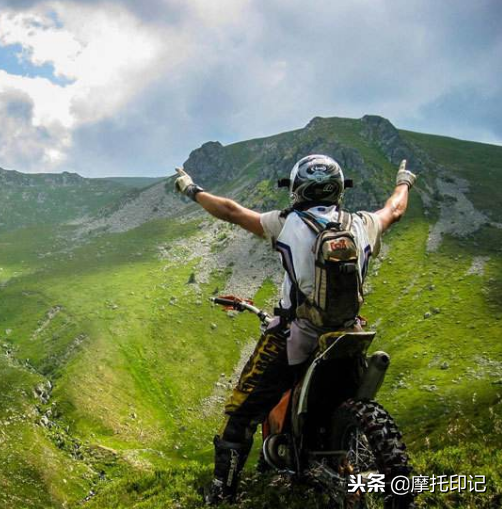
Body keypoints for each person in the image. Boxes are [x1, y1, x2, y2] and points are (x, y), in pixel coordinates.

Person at [174, 154, 416, 505]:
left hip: (297, 337)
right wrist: (404, 179)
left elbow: (229, 210)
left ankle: (222, 492)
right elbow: (395, 209)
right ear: (338, 189)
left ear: (297, 189)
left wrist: (191, 189)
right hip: (348, 336)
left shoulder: (286, 224)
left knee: (240, 414)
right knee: (352, 399)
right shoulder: (362, 223)